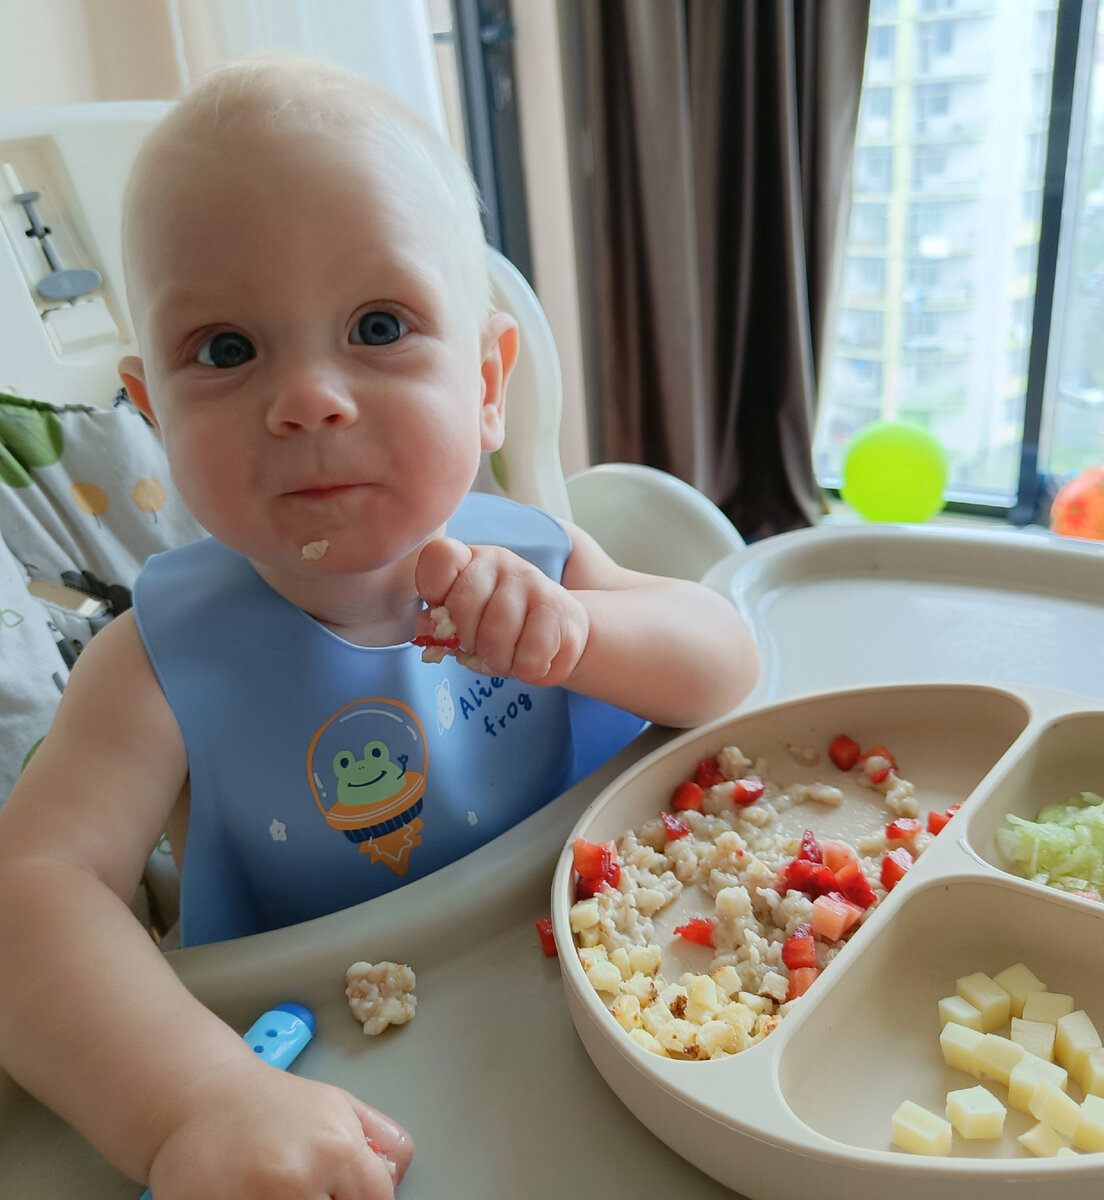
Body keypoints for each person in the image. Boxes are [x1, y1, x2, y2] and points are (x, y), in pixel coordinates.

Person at [0, 53, 758, 1200]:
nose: (308, 396)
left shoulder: (537, 557)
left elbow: (726, 665)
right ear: (151, 413)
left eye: (379, 324)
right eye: (225, 350)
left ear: (489, 378)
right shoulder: (155, 668)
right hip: (347, 1087)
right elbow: (30, 895)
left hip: (644, 992)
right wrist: (193, 1102)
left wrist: (580, 633)